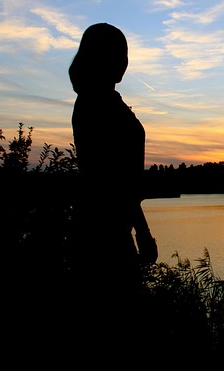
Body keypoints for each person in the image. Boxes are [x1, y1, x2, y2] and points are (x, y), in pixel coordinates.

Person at [69, 22, 158, 292]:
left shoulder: (101, 101)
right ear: (106, 58)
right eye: (121, 54)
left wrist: (139, 230)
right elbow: (114, 180)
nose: (126, 62)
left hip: (108, 231)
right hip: (104, 237)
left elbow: (124, 184)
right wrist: (142, 233)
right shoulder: (97, 105)